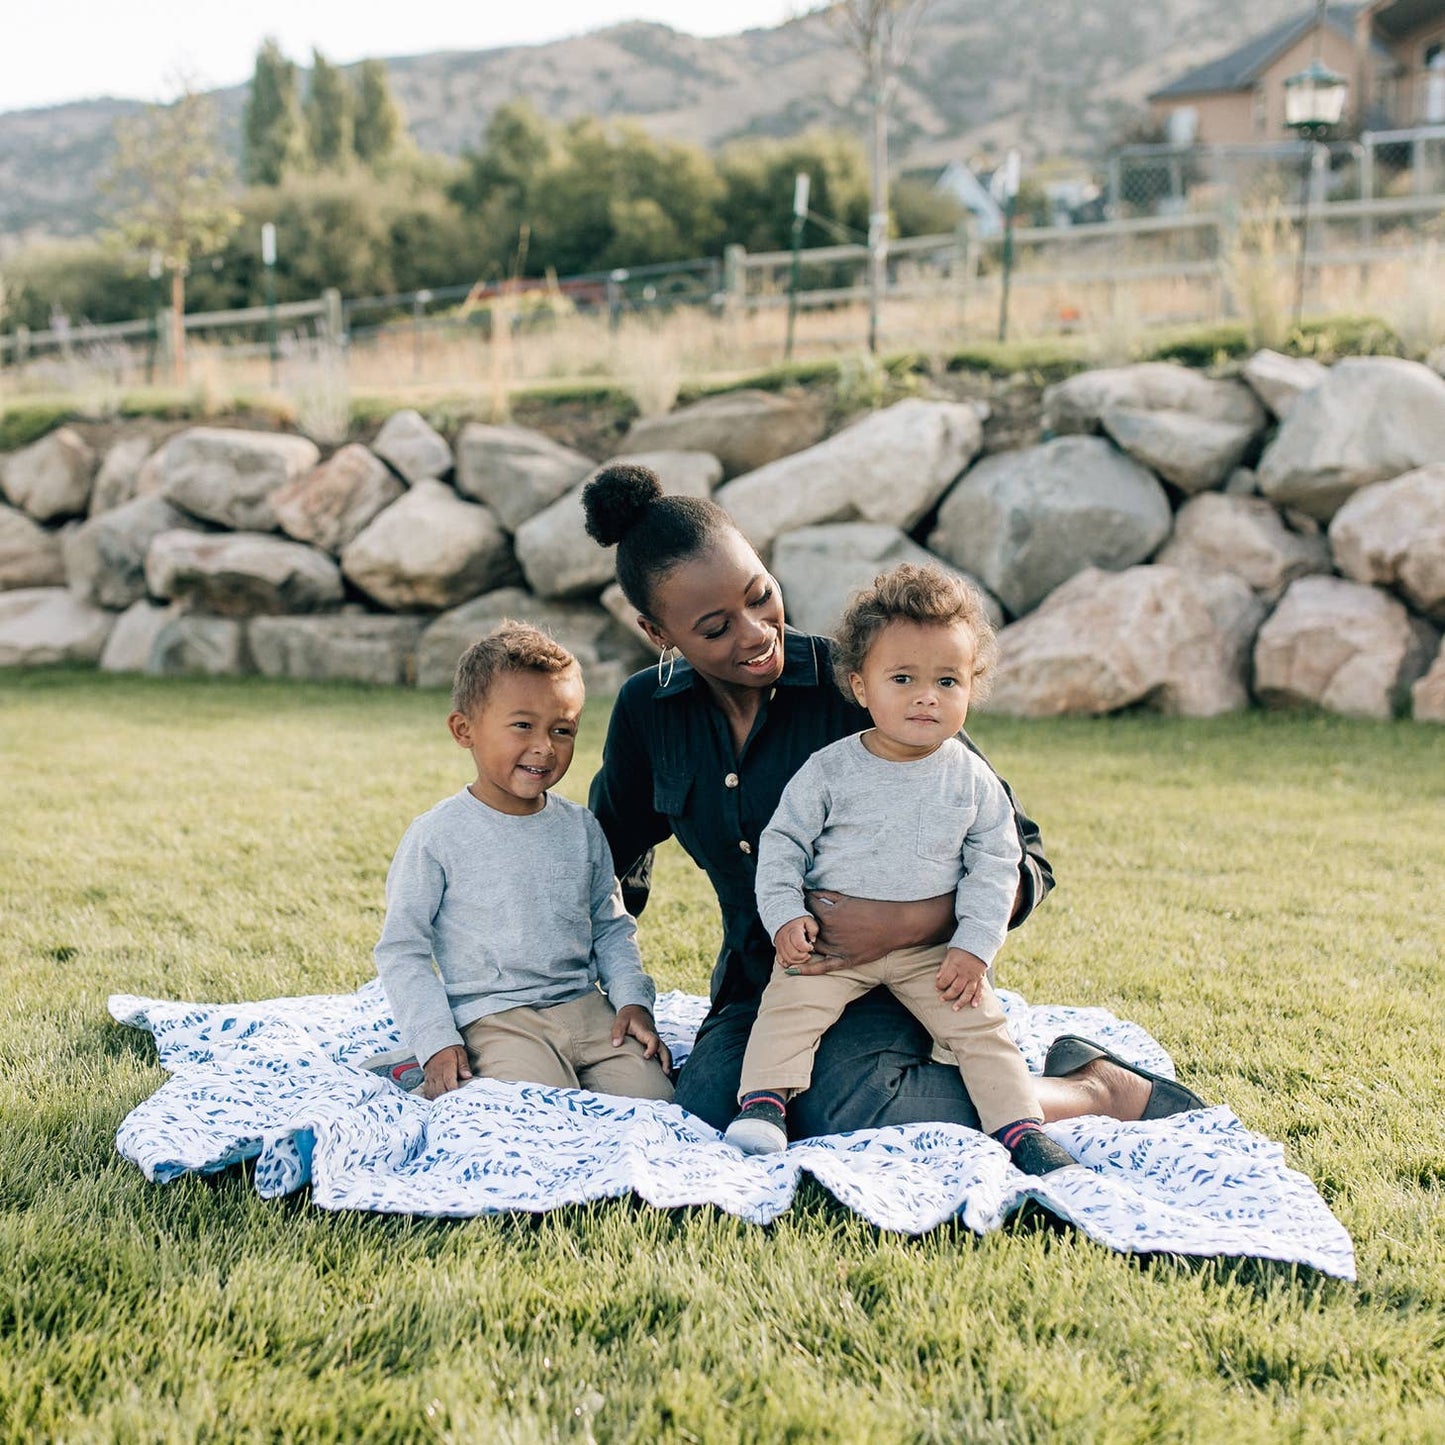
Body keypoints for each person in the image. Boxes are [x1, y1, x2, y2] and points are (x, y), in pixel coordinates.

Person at [584, 463, 1204, 1141]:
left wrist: (910, 921)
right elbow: (608, 857)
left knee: (847, 1107)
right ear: (657, 631)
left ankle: (1090, 1086)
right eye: (714, 626)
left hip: (902, 983)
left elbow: (1024, 856)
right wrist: (606, 988)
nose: (756, 631)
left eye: (760, 595)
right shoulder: (649, 712)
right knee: (706, 1105)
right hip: (763, 984)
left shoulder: (860, 686)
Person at [725, 563, 1074, 1175]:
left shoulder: (971, 779)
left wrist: (974, 946)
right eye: (904, 678)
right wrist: (785, 916)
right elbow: (782, 846)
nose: (926, 696)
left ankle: (1021, 1127)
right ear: (862, 687)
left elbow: (998, 863)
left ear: (973, 685)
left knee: (980, 1024)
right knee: (790, 1005)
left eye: (947, 681)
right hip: (828, 945)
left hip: (931, 952)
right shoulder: (831, 769)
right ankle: (764, 1105)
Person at [373, 622, 674, 1104]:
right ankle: (418, 1064)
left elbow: (613, 928)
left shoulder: (580, 828)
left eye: (562, 730)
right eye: (522, 726)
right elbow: (402, 949)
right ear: (464, 729)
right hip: (494, 1016)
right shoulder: (437, 836)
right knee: (535, 1107)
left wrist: (633, 1001)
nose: (544, 746)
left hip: (585, 1008)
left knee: (654, 1099)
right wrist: (436, 1040)